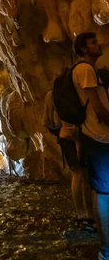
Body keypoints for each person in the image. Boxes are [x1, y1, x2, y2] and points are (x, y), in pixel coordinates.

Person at [73, 32, 109, 260]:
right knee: (104, 193)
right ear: (84, 49)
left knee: (104, 191)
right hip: (99, 138)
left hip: (98, 138)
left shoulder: (87, 69)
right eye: (93, 42)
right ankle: (106, 251)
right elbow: (96, 107)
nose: (99, 44)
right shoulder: (85, 70)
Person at [43, 89, 95, 230]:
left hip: (67, 137)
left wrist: (60, 131)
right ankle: (86, 215)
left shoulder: (53, 94)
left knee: (79, 174)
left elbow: (48, 122)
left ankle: (83, 214)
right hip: (80, 136)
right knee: (81, 175)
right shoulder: (74, 93)